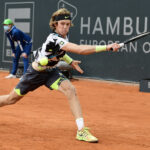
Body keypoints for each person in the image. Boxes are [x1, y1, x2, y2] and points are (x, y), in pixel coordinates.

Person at [0, 8, 120, 143]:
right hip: (35, 73)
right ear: (55, 25)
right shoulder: (54, 38)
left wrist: (70, 61)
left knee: (71, 90)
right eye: (62, 23)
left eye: (68, 24)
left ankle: (81, 131)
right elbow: (80, 49)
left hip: (51, 72)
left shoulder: (63, 37)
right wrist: (106, 47)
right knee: (11, 99)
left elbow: (60, 52)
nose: (65, 27)